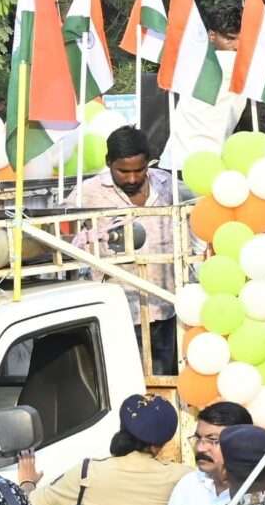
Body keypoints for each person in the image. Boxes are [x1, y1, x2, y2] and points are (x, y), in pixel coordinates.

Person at [25, 391, 190, 505]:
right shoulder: (183, 477)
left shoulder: (88, 472)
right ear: (162, 443)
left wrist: (27, 482)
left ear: (122, 428)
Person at [66, 127, 185, 370]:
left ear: (148, 163)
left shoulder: (168, 186)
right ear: (108, 162)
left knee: (164, 380)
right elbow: (61, 232)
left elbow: (199, 209)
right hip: (119, 312)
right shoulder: (87, 193)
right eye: (123, 171)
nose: (132, 179)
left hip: (166, 307)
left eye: (139, 170)